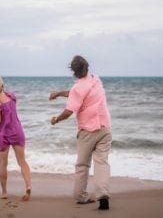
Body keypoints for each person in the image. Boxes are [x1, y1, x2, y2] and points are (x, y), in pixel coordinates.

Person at [49, 55, 112, 210]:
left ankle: (80, 196)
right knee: (102, 163)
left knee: (82, 165)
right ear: (87, 67)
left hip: (88, 131)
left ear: (73, 71)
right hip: (105, 128)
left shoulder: (78, 88)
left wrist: (56, 119)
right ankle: (103, 196)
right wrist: (58, 93)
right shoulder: (96, 79)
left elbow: (69, 111)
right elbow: (77, 93)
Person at [0, 76, 31, 201]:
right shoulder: (11, 96)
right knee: (22, 161)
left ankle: (4, 192)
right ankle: (28, 186)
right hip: (16, 131)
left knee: (3, 164)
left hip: (2, 134)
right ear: (1, 86)